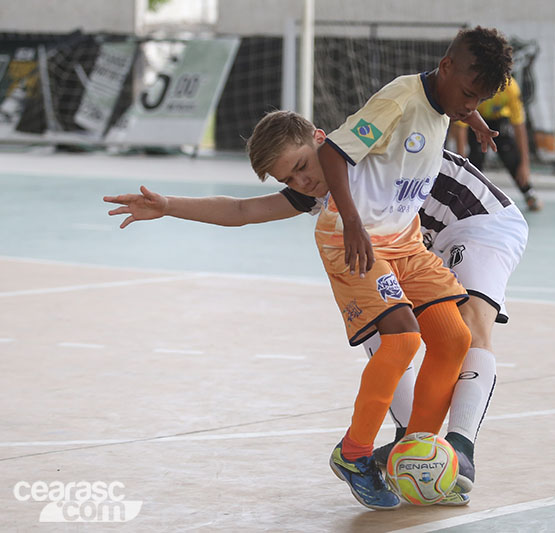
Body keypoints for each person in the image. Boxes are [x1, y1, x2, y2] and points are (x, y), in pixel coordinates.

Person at [108, 27, 513, 512]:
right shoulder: (374, 123)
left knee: (453, 338)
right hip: (352, 240)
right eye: (290, 178)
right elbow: (243, 209)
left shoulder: (420, 108)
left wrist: (477, 119)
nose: (302, 181)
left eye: (301, 166)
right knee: (403, 339)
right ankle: (354, 453)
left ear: (317, 138)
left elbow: (443, 103)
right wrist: (170, 205)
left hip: (402, 239)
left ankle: (416, 452)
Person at [453, 75, 541, 212]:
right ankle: (463, 196)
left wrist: (525, 164)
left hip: (498, 122)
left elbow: (519, 127)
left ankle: (528, 192)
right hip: (476, 121)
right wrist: (460, 160)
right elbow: (460, 128)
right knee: (475, 159)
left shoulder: (511, 88)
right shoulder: (474, 84)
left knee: (510, 154)